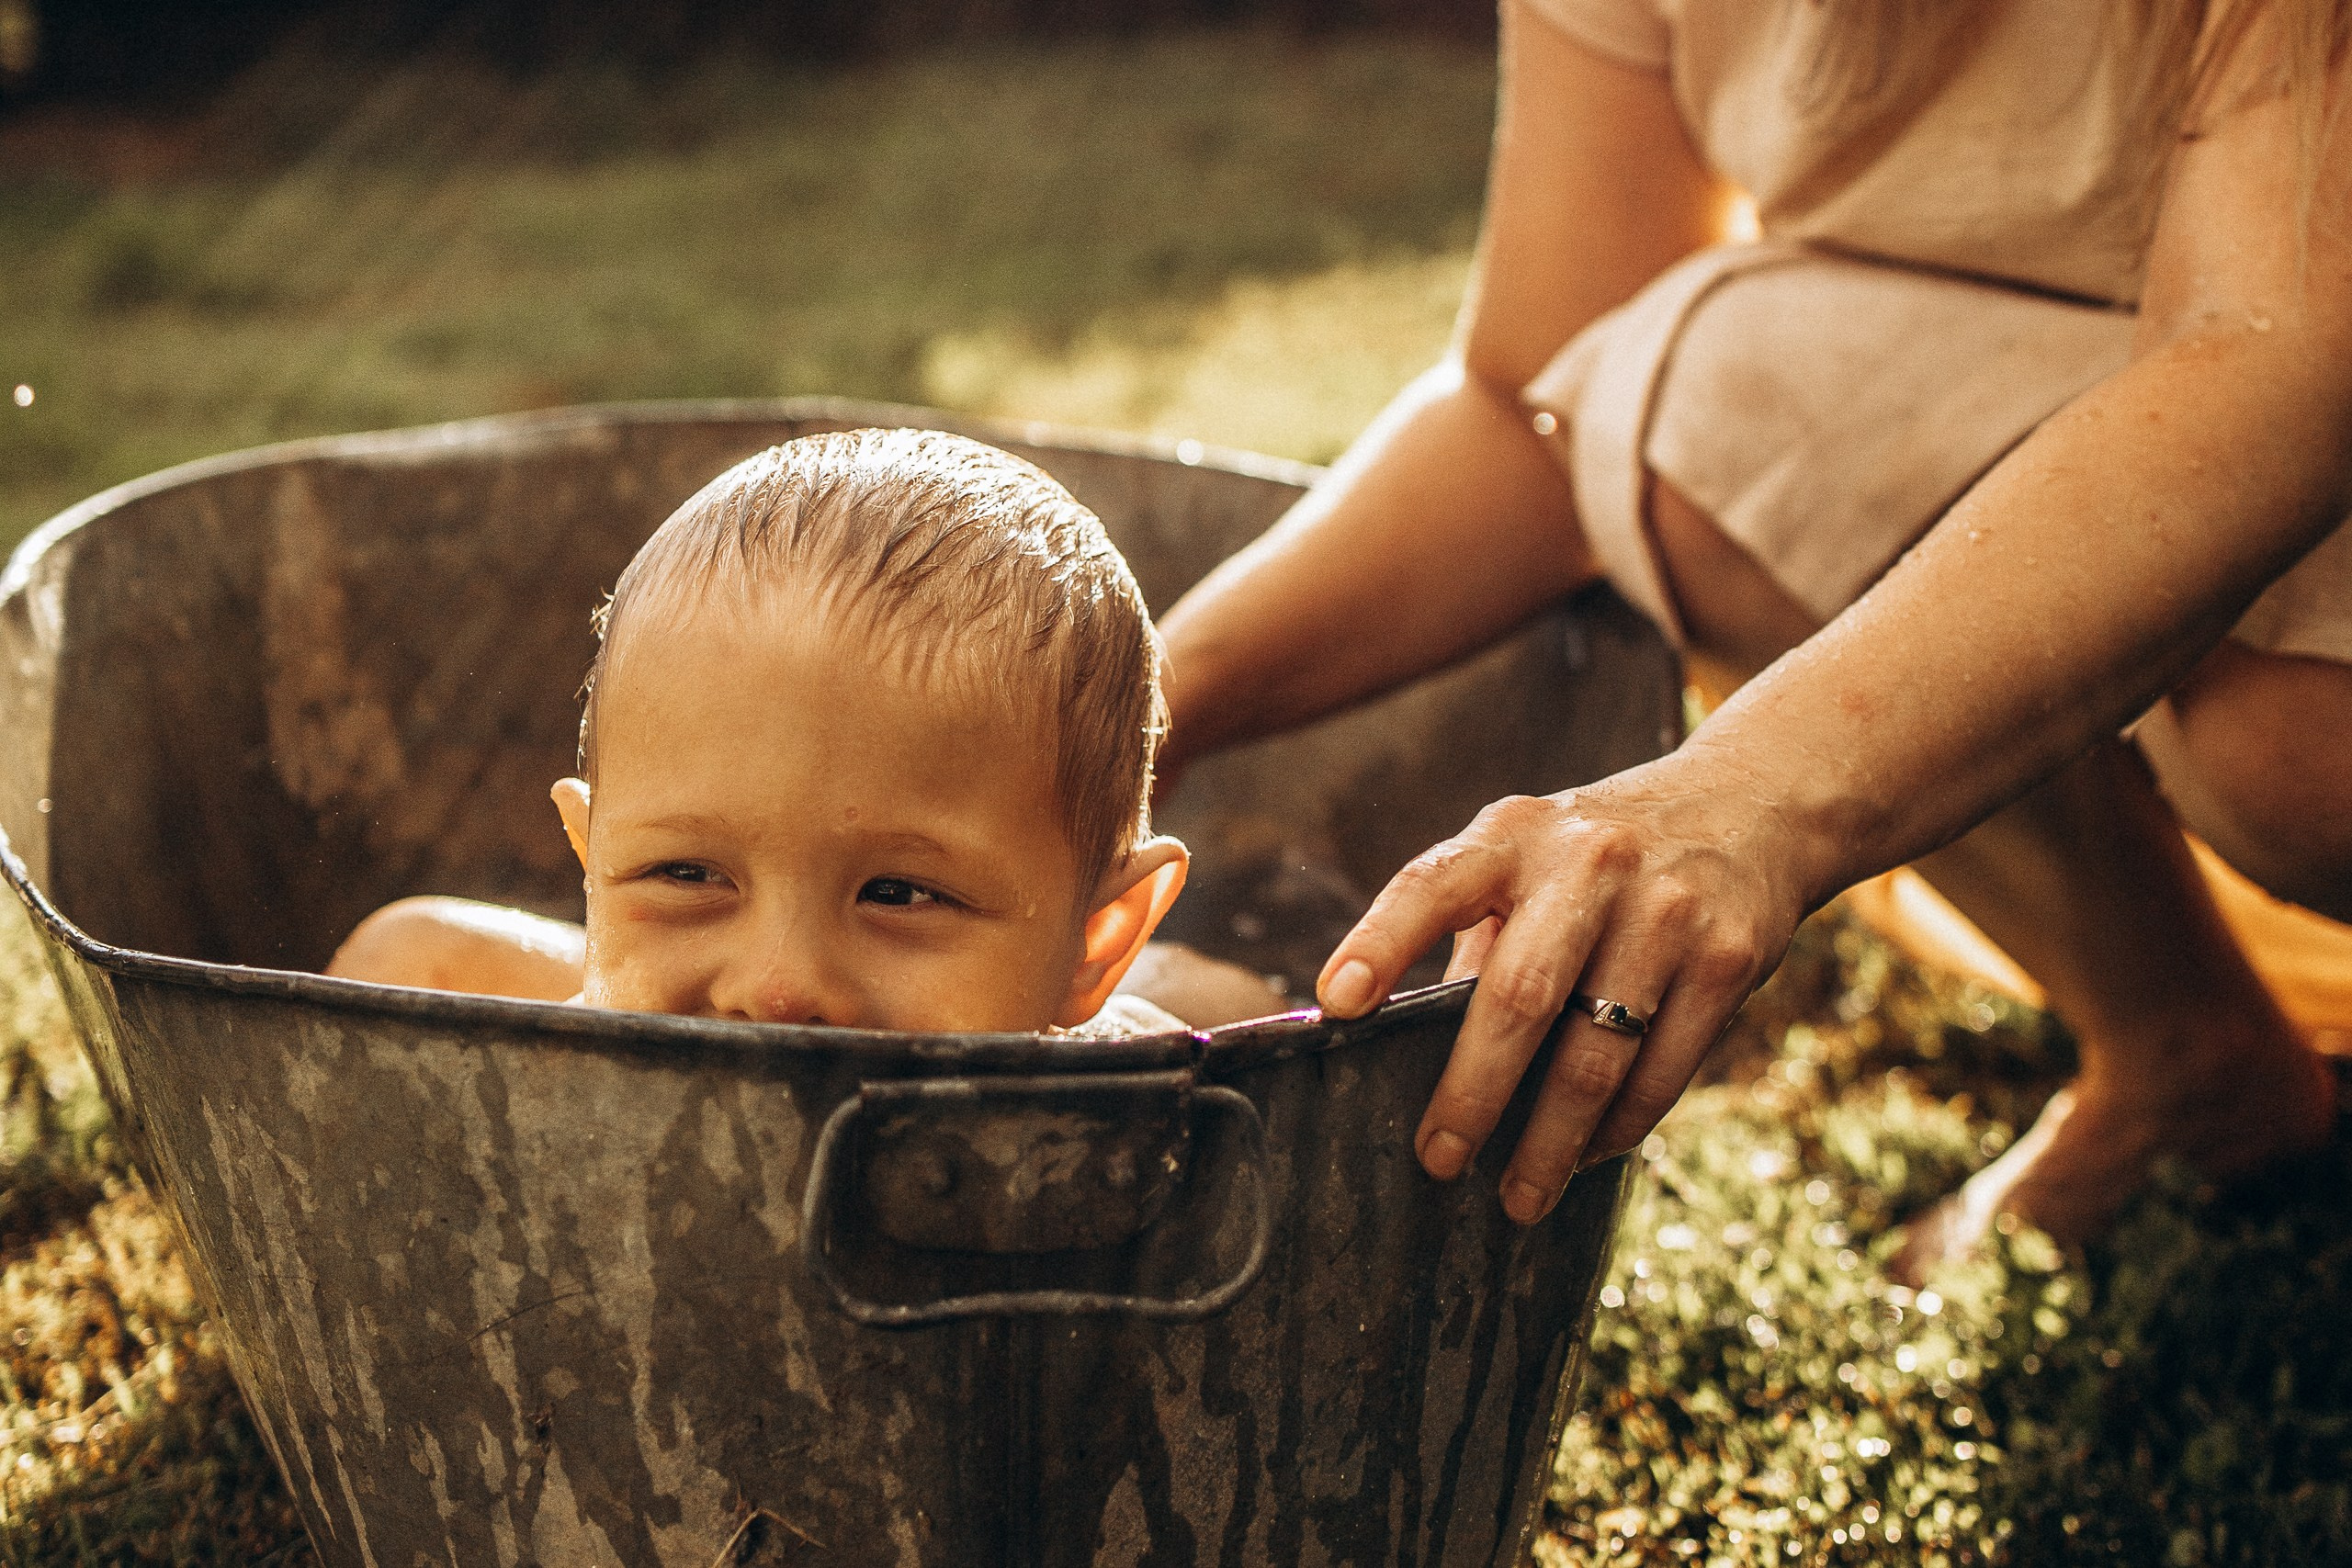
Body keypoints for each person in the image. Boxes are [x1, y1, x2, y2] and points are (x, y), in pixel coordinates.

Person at [1153, 0, 2352, 1264]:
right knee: (1712, 392)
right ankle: (2188, 1048)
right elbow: (1538, 401)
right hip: (2125, 379)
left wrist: (1747, 796)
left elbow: (2273, 356)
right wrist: (1156, 697)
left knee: (2295, 747)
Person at [328, 428, 1284, 1034]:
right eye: (686, 875)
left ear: (1095, 943)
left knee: (1232, 1013)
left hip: (1140, 1005)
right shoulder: (544, 1069)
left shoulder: (1139, 1107)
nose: (777, 991)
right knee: (405, 956)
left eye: (899, 893)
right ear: (590, 861)